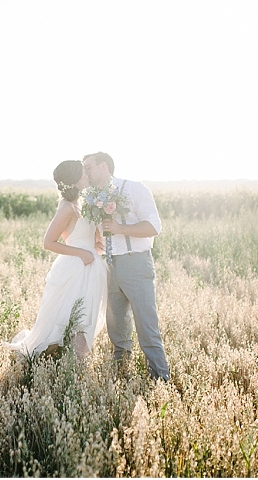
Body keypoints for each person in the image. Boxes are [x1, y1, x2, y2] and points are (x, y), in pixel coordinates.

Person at [83, 151, 170, 381]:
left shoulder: (134, 189)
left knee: (146, 324)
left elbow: (154, 227)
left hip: (136, 263)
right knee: (116, 324)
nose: (86, 173)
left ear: (103, 166)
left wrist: (121, 229)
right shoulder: (93, 198)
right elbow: (102, 238)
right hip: (110, 265)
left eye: (88, 167)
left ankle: (160, 377)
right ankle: (121, 371)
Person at [6, 160, 108, 359]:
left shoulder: (83, 204)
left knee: (85, 317)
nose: (87, 175)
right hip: (75, 267)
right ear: (75, 179)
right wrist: (83, 253)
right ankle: (69, 360)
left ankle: (75, 359)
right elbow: (49, 242)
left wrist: (98, 247)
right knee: (70, 316)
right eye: (83, 173)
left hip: (91, 266)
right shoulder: (67, 207)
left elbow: (86, 239)